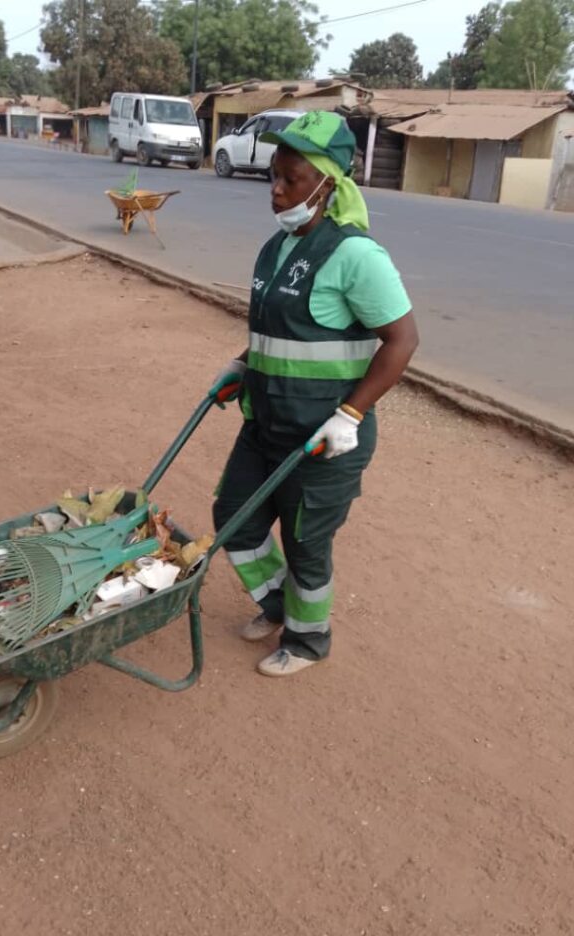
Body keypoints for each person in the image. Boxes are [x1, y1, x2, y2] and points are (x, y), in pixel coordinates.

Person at [210, 111, 419, 677]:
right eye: (273, 176)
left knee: (305, 544)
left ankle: (307, 639)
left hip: (324, 437)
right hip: (266, 421)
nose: (277, 191)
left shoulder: (356, 256)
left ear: (328, 184)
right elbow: (283, 331)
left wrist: (351, 413)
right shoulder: (276, 248)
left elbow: (402, 340)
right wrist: (242, 364)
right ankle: (279, 606)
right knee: (234, 515)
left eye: (292, 179)